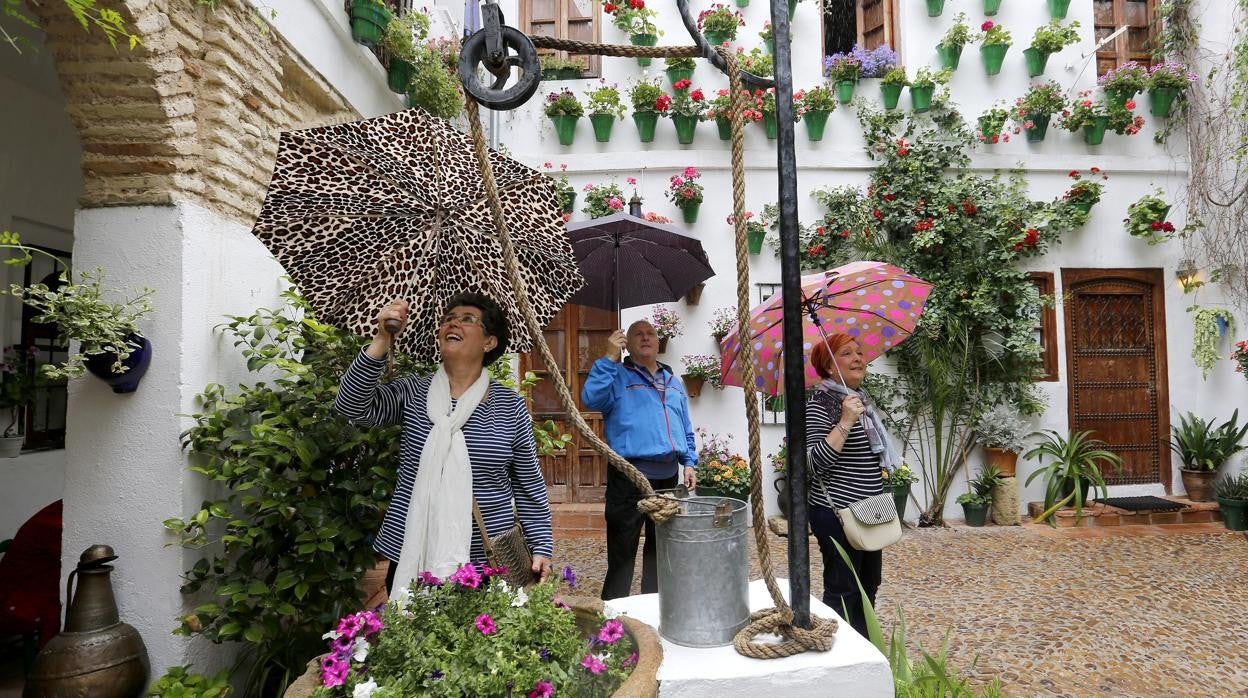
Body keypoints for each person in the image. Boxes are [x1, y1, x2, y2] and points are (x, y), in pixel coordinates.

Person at [335, 292, 554, 594]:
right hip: (415, 550)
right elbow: (352, 406)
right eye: (448, 319)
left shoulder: (509, 405)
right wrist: (382, 339)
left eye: (467, 319)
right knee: (413, 635)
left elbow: (528, 483)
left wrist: (541, 545)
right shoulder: (414, 391)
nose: (453, 323)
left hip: (486, 556)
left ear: (489, 342)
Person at [582, 320, 697, 600]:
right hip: (628, 477)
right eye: (638, 334)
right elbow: (590, 398)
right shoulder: (617, 376)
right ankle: (613, 621)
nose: (646, 338)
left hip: (667, 480)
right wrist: (609, 357)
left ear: (658, 341)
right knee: (622, 554)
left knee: (660, 554)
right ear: (628, 343)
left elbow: (684, 426)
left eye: (651, 334)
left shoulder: (673, 381)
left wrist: (689, 461)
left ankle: (654, 613)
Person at [805, 332, 901, 638]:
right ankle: (840, 655)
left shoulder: (861, 403)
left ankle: (866, 647)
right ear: (830, 366)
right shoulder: (821, 404)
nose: (858, 358)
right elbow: (812, 463)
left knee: (869, 584)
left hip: (869, 510)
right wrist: (844, 421)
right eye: (846, 353)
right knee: (843, 588)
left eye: (859, 352)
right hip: (836, 513)